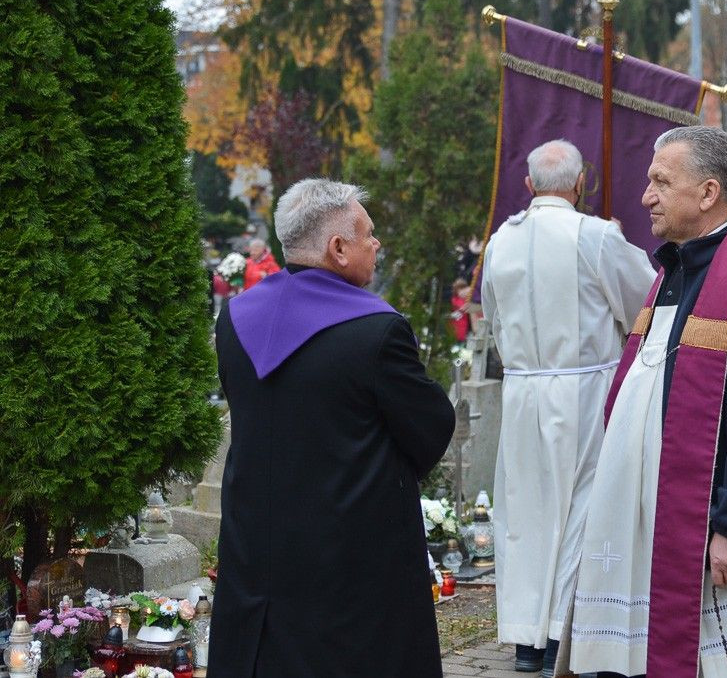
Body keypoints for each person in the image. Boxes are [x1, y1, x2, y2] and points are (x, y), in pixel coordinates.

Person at [564, 126, 727, 678]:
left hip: (723, 536)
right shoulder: (676, 268)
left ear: (708, 193)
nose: (646, 196)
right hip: (665, 528)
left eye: (661, 181)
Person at [209, 179, 455, 678]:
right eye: (368, 233)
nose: (376, 244)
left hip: (258, 547)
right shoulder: (377, 330)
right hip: (352, 557)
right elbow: (430, 427)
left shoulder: (235, 318)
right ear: (337, 249)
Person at [481, 139, 655, 675]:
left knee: (525, 509)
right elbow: (645, 299)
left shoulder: (499, 243)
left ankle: (526, 639)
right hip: (585, 388)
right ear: (581, 184)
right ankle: (563, 632)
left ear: (528, 185)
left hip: (524, 390)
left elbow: (491, 311)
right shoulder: (596, 236)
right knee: (581, 505)